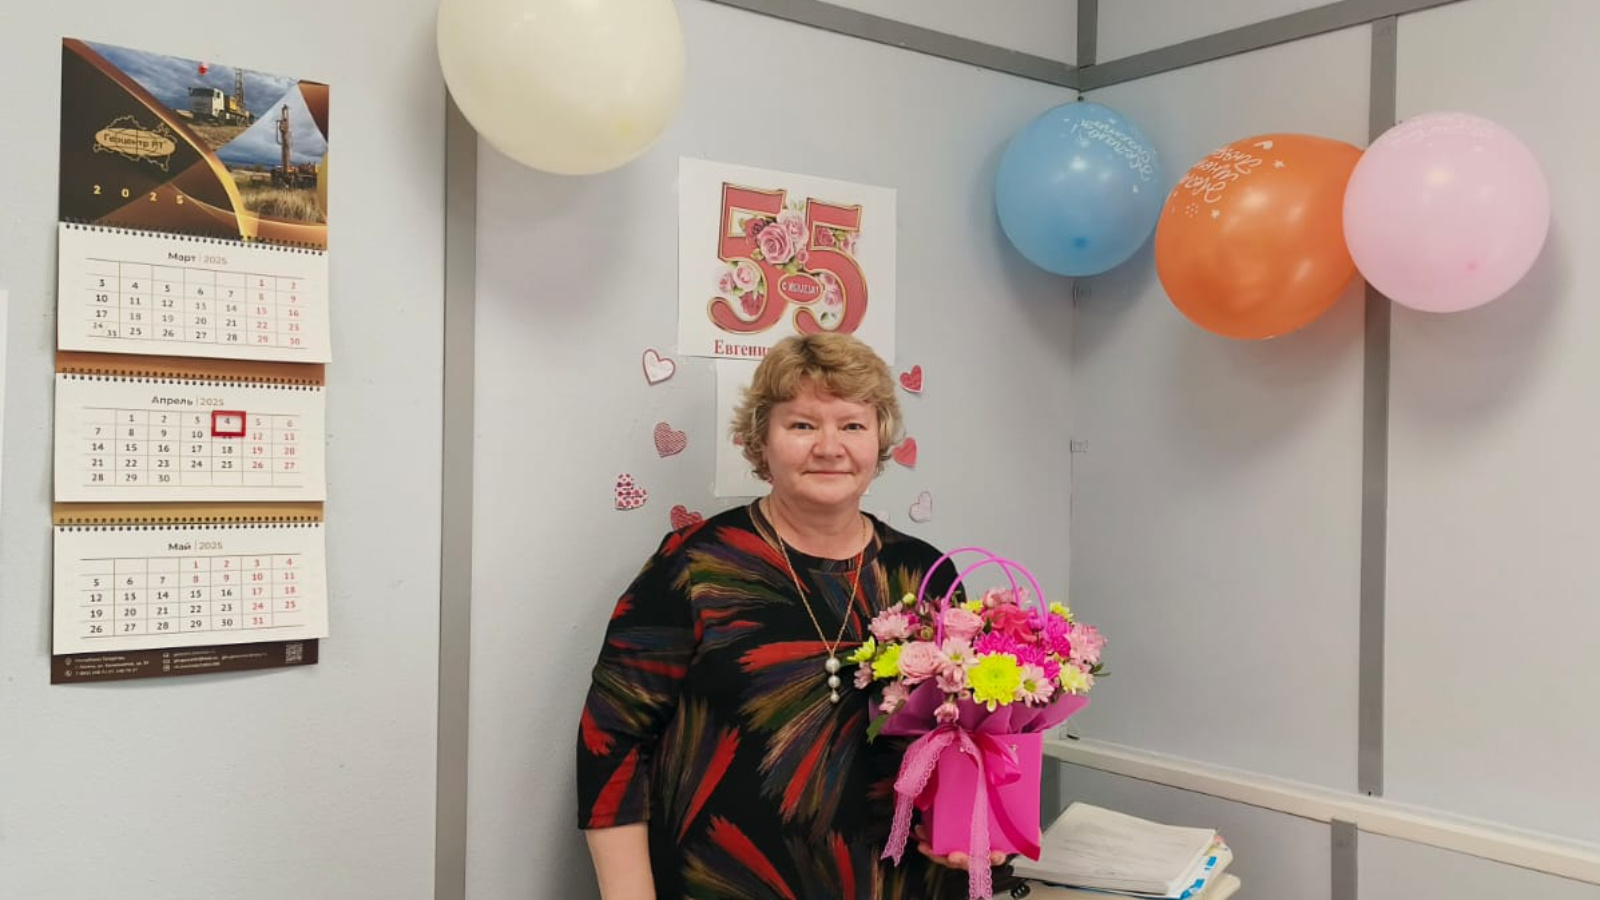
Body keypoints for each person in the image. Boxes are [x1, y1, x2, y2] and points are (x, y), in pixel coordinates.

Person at [576, 333, 1011, 899]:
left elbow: (961, 738)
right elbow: (612, 740)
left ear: (879, 439)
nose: (829, 447)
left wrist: (971, 829)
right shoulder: (695, 567)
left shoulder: (924, 574)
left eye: (852, 425)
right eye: (802, 425)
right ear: (762, 440)